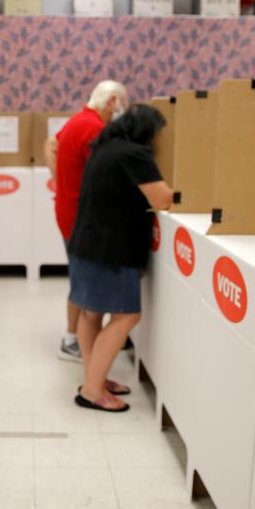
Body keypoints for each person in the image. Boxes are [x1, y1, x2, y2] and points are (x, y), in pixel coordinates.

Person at [66, 104, 173, 412]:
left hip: (86, 244)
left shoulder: (105, 147)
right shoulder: (134, 154)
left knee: (91, 313)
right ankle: (92, 390)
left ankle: (94, 377)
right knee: (127, 316)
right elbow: (163, 199)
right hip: (112, 250)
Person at [45, 80, 129, 363]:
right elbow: (106, 174)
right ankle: (72, 341)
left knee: (80, 275)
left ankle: (75, 338)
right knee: (84, 279)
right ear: (112, 101)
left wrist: (59, 181)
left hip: (68, 209)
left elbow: (50, 145)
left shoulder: (77, 121)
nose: (121, 111)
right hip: (81, 216)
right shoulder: (94, 128)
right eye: (122, 104)